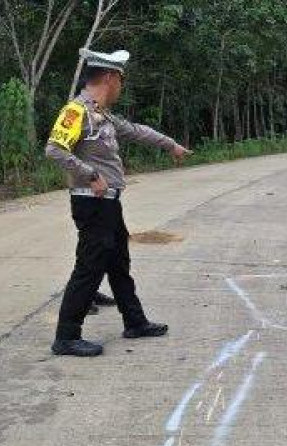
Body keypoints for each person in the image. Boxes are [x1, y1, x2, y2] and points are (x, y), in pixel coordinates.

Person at [46, 48, 191, 357]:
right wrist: (90, 174)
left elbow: (137, 131)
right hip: (92, 203)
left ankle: (135, 322)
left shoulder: (103, 115)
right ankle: (66, 336)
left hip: (109, 205)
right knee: (88, 268)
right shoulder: (76, 111)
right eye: (121, 81)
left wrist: (171, 145)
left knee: (119, 263)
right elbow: (55, 150)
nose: (121, 88)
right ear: (110, 78)